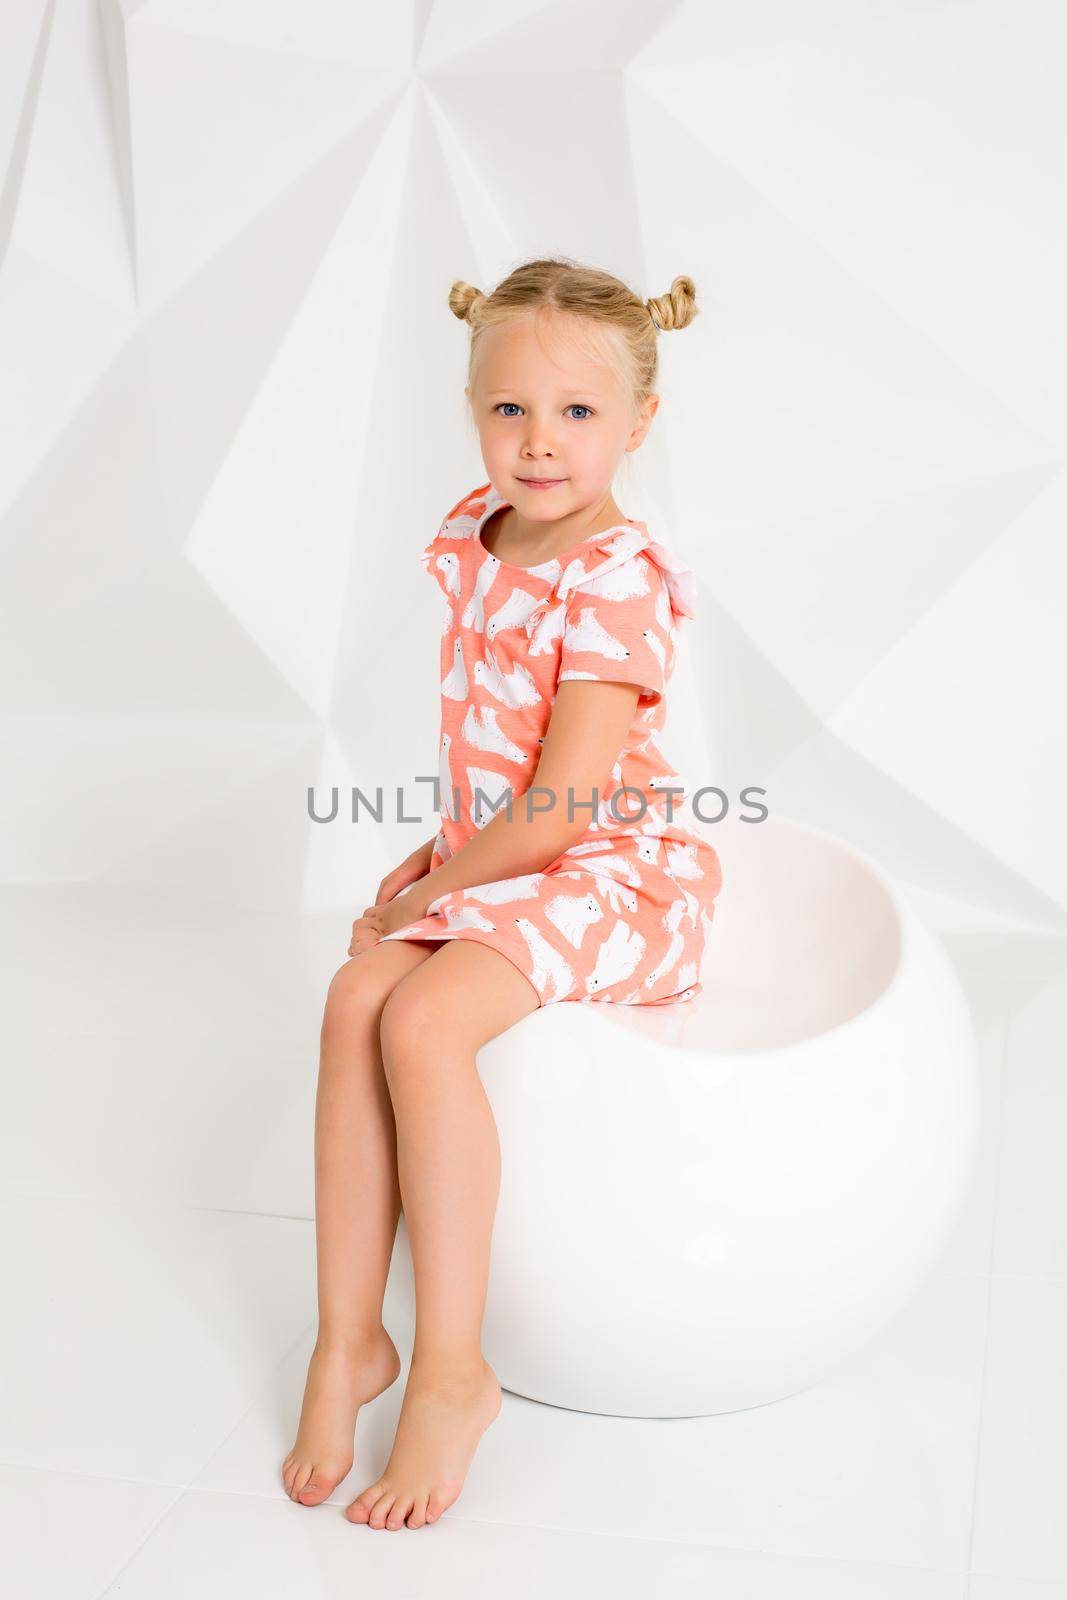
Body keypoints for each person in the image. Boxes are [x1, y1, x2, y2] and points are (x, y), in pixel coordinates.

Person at [282, 257, 724, 1531]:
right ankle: (346, 1338)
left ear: (637, 424)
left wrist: (441, 878)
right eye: (510, 409)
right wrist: (434, 854)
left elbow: (568, 803)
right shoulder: (469, 533)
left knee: (420, 1019)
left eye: (578, 414)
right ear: (472, 408)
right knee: (354, 991)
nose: (539, 443)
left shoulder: (616, 577)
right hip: (511, 853)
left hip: (611, 870)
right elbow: (494, 752)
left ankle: (452, 1367)